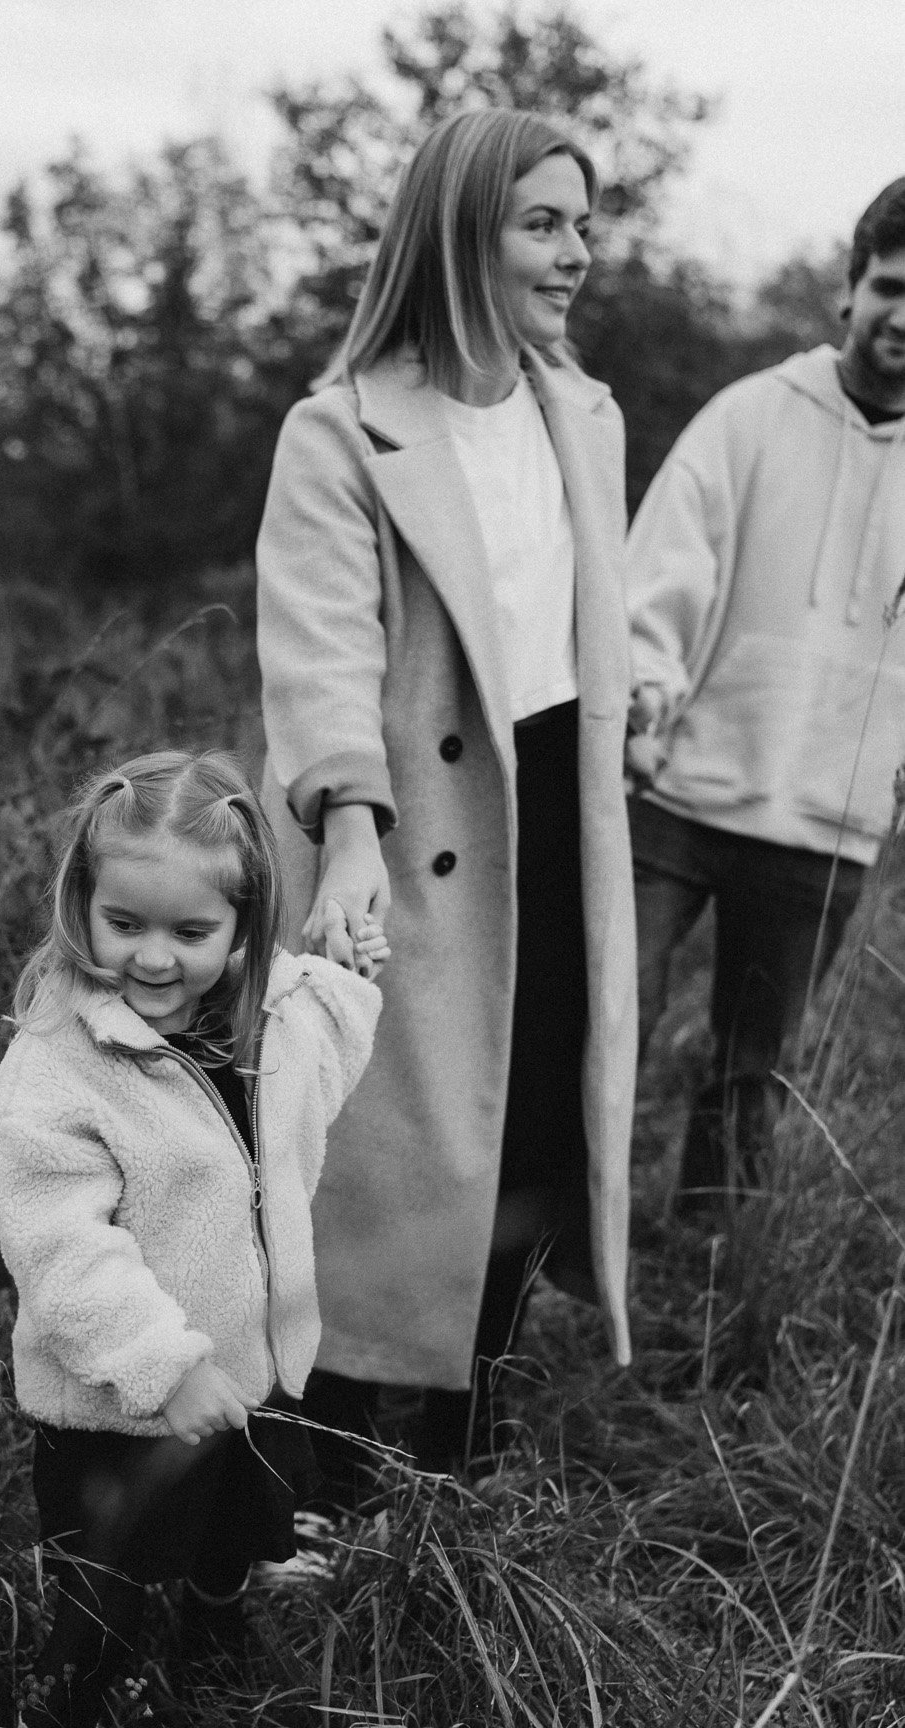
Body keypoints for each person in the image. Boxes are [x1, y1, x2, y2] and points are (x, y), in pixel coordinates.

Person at [256, 106, 637, 1501]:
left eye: (584, 222)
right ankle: (331, 1484)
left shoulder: (582, 416)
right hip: (412, 840)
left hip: (561, 823)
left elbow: (589, 607)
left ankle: (457, 1453)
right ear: (459, 234)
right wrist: (348, 827)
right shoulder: (341, 431)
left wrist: (631, 694)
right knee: (390, 1163)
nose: (576, 252)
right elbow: (316, 649)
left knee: (532, 1127)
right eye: (542, 222)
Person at [0, 750, 384, 1728]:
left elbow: (324, 1059)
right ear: (84, 904)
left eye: (191, 933)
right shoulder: (61, 1066)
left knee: (242, 1528)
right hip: (121, 1410)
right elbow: (63, 1251)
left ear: (245, 928)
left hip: (249, 1374)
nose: (153, 958)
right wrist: (165, 1365)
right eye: (126, 923)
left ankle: (213, 1636)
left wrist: (351, 968)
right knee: (101, 1609)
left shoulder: (266, 1020)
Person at [626, 177, 905, 1207]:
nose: (904, 316)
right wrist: (646, 694)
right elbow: (660, 573)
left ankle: (717, 1277)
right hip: (679, 791)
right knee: (612, 1021)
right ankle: (561, 1248)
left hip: (828, 820)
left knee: (756, 1066)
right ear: (849, 286)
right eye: (891, 285)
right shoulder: (748, 418)